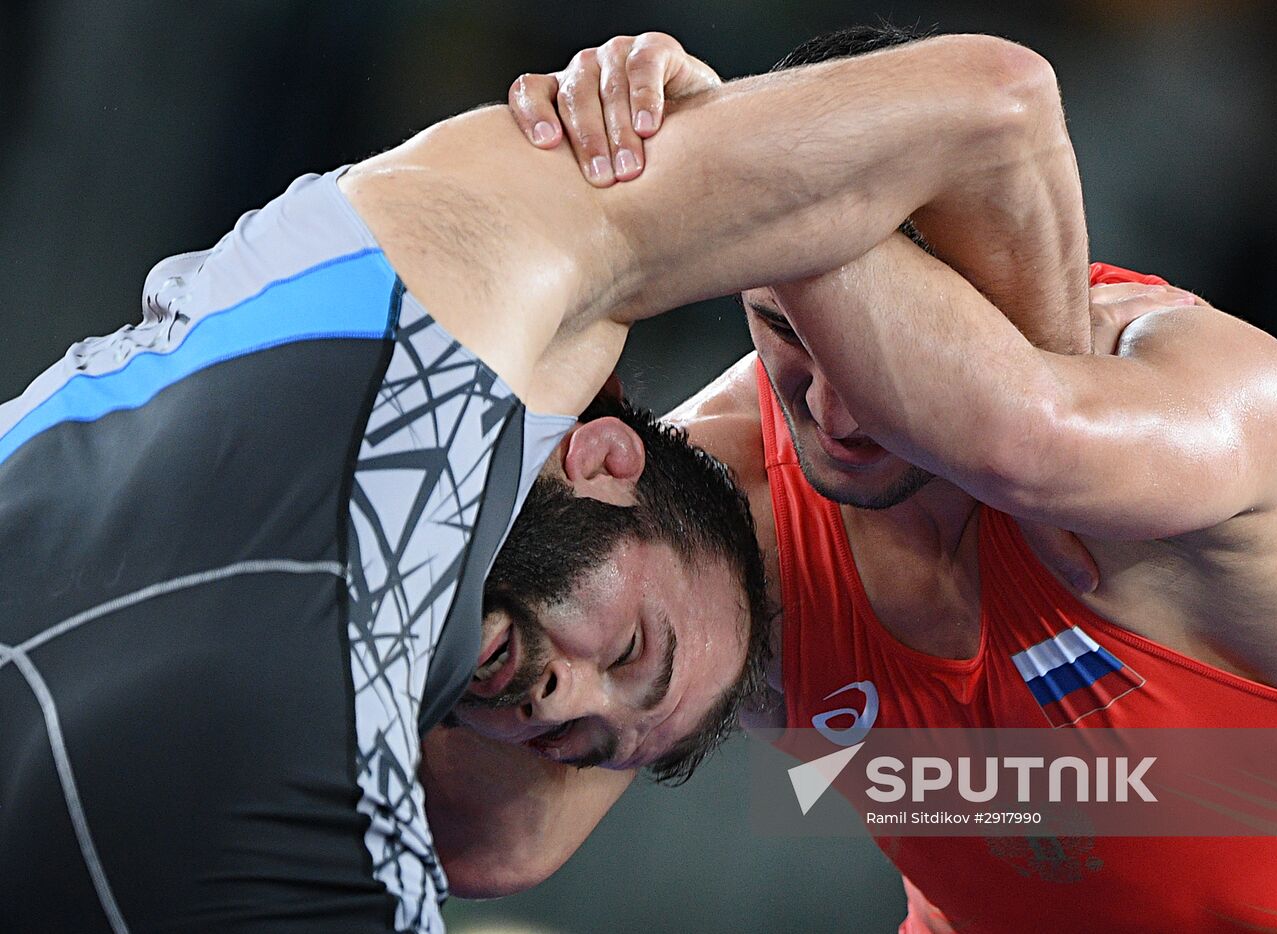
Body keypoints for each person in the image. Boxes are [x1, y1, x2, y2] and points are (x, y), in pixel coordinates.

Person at [0, 30, 1077, 934]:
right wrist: (1039, 484)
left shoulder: (356, 829)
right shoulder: (480, 264)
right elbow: (996, 106)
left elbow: (503, 843)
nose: (562, 700)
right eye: (627, 652)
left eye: (584, 744)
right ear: (604, 459)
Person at [433, 25, 1277, 931]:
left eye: (879, 359)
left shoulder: (1220, 406)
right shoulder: (711, 514)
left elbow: (1028, 432)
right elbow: (507, 837)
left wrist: (714, 149)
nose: (836, 417)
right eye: (784, 335)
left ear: (1006, 289)